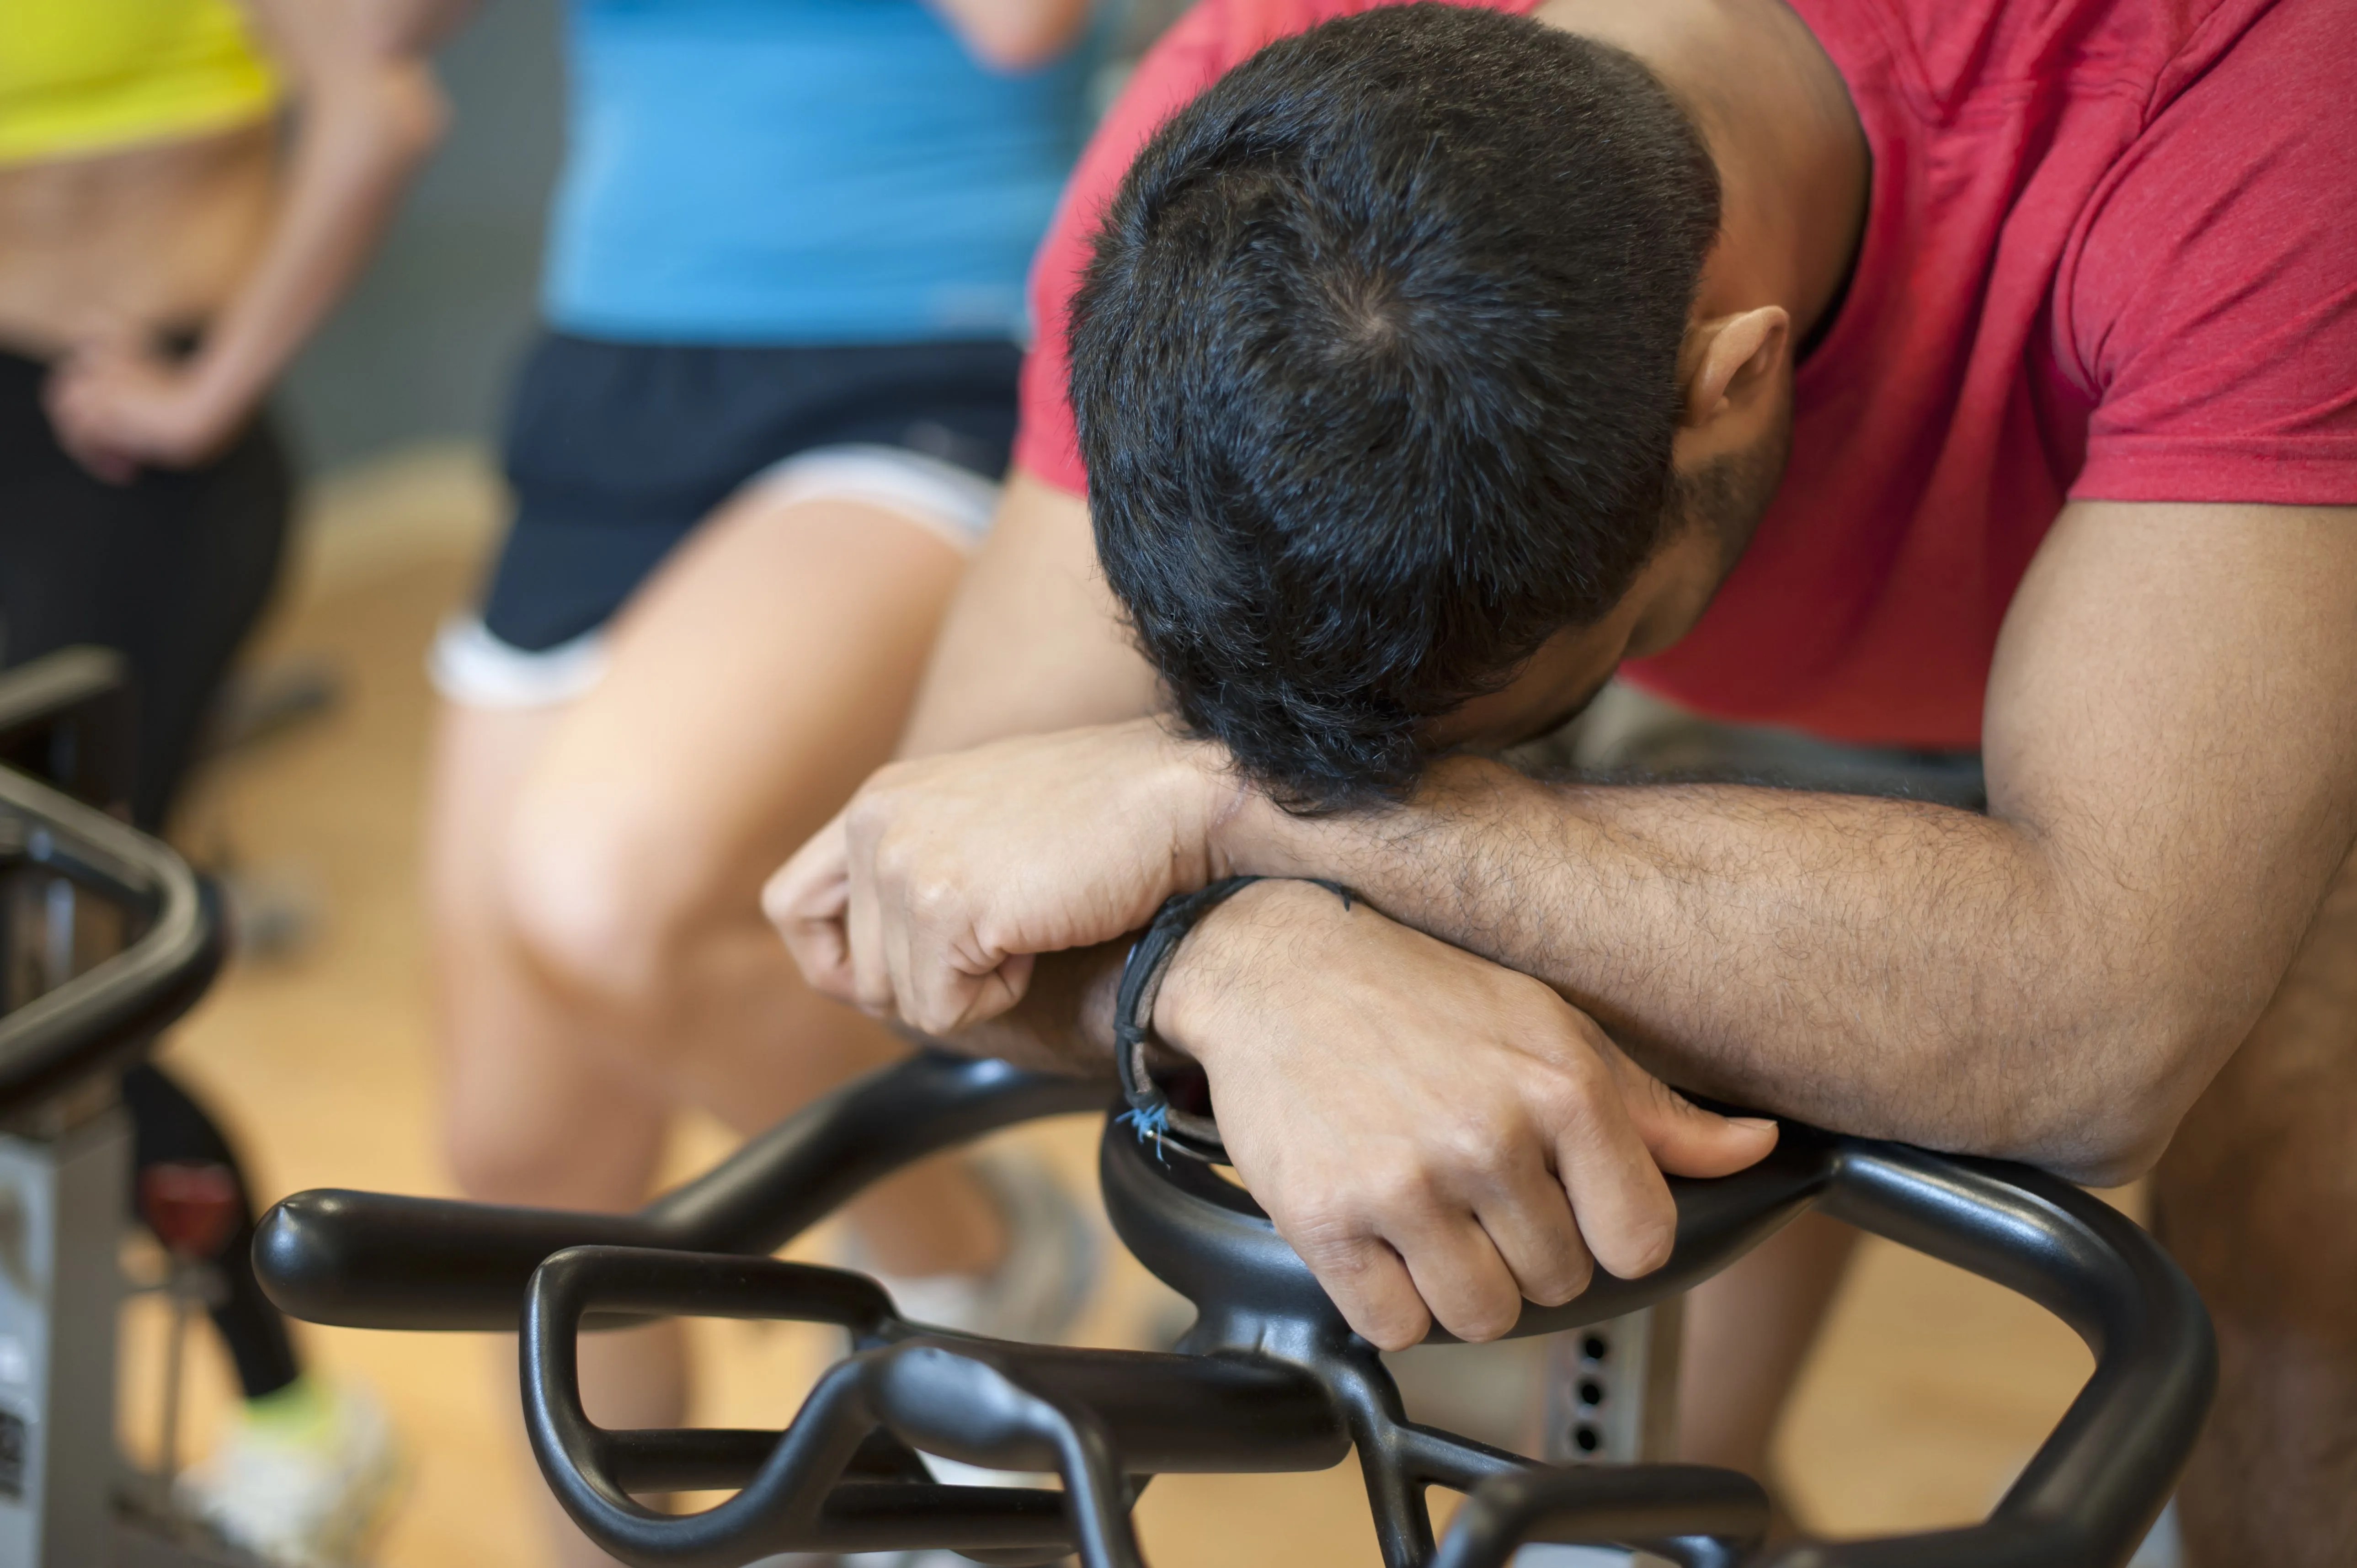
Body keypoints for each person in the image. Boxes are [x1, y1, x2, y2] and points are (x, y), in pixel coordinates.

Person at [764, 0, 2357, 1561]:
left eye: (1449, 734)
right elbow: (952, 868)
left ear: (1722, 388)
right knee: (1638, 1479)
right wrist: (1240, 960)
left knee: (2305, 1262)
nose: (1352, 790)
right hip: (1751, 656)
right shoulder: (1237, 162)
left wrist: (1219, 810)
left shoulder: (2240, 105)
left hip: (2255, 637)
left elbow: (2097, 1028)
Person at [418, 0, 1104, 1560]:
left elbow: (1023, 26)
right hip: (612, 357)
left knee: (608, 894)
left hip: (919, 352)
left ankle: (967, 1256)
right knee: (525, 1177)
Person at [0, 1, 448, 1562]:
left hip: (134, 448)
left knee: (55, 984)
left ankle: (298, 1423)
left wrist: (211, 393)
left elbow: (381, 113)